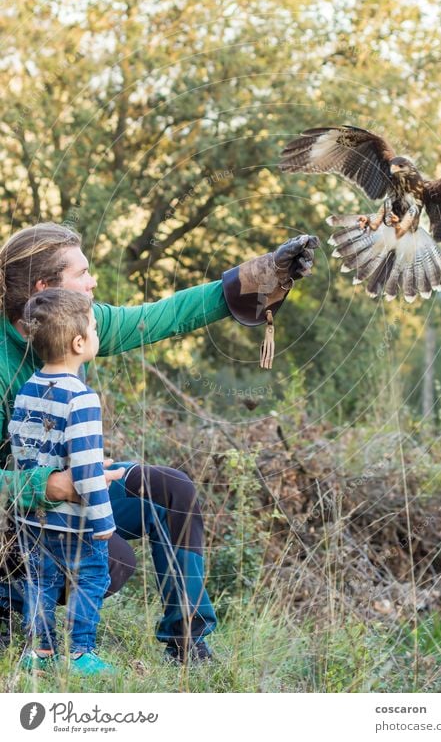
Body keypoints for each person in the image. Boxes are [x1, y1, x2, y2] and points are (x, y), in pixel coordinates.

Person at [0, 222, 318, 663]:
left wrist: (246, 280)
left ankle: (187, 642)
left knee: (172, 492)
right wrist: (45, 486)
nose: (93, 282)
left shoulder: (77, 323)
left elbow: (162, 316)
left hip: (72, 493)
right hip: (17, 515)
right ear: (45, 287)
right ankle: (11, 609)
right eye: (83, 273)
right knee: (112, 560)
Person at [9, 289, 116, 674]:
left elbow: (24, 451)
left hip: (33, 518)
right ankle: (80, 653)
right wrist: (104, 520)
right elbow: (86, 469)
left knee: (40, 582)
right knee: (91, 576)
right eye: (94, 327)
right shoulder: (82, 398)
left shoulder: (26, 391)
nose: (96, 333)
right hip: (75, 520)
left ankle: (40, 653)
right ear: (78, 342)